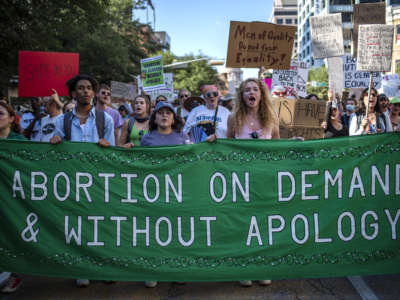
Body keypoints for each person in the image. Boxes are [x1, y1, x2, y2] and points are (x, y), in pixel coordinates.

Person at [226, 78, 278, 287]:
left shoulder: (271, 119)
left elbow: (277, 147)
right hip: (240, 179)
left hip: (263, 179)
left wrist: (296, 145)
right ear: (241, 95)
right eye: (247, 90)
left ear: (261, 94)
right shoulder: (232, 118)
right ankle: (244, 267)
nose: (251, 93)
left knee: (263, 223)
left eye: (255, 89)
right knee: (243, 223)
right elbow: (226, 147)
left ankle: (262, 266)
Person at [0, 102, 25, 293]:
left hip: (14, 198)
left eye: (0, 114)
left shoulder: (19, 142)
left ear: (11, 119)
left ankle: (13, 274)